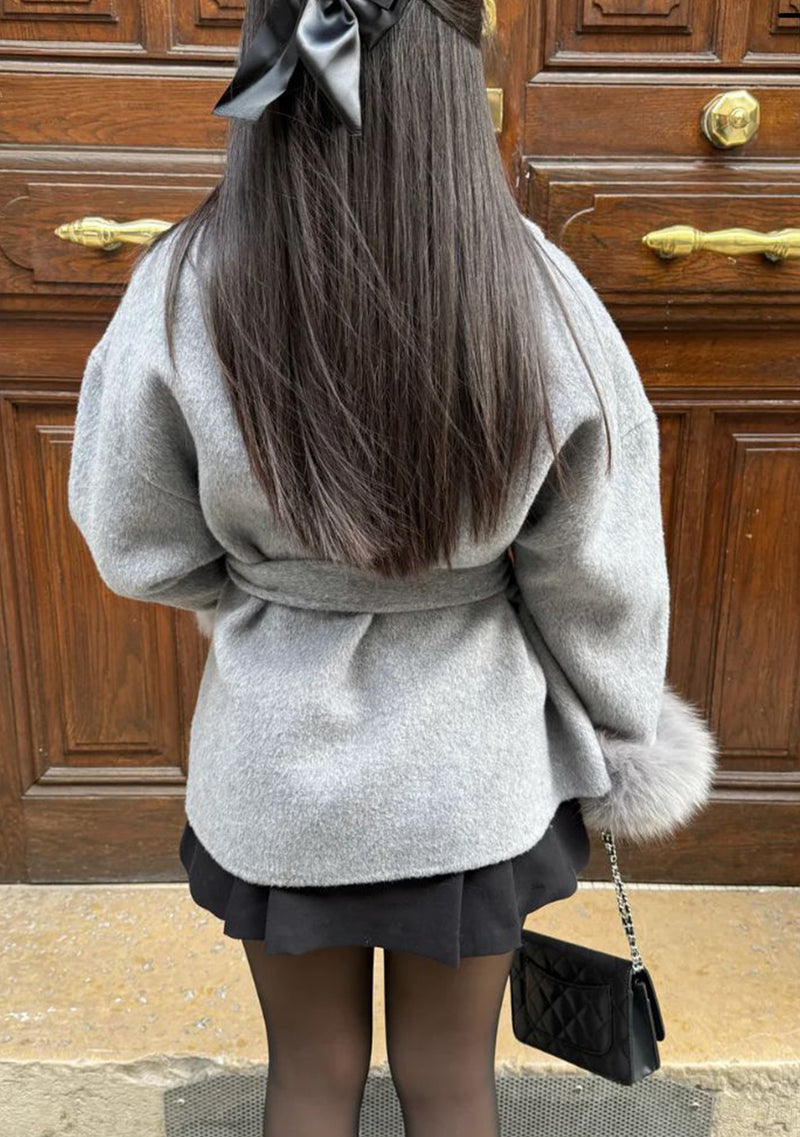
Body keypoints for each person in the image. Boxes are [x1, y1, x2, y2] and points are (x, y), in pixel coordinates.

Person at [66, 0, 718, 1132]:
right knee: (451, 1079)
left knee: (308, 1076)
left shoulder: (178, 286)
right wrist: (620, 724)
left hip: (274, 763)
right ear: (458, 92)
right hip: (473, 769)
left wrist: (268, 596)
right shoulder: (540, 293)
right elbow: (597, 569)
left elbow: (135, 538)